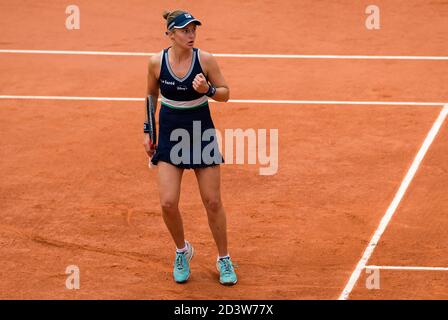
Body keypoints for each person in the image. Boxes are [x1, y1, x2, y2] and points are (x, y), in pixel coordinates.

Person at [143, 9, 237, 286]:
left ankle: (224, 259)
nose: (191, 34)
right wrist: (148, 130)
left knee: (213, 201)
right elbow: (150, 96)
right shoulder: (155, 62)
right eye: (185, 30)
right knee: (168, 202)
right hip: (171, 135)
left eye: (193, 29)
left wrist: (207, 90)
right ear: (170, 33)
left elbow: (226, 94)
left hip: (200, 134)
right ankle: (182, 251)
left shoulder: (205, 60)